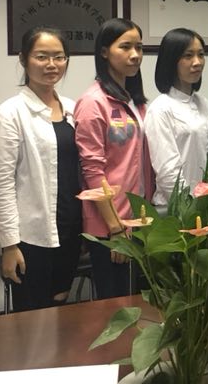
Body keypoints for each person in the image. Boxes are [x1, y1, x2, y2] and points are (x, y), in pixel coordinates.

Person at [0, 26, 81, 312]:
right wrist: (9, 245)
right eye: (42, 57)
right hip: (30, 236)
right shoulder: (9, 113)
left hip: (69, 229)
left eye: (59, 57)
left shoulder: (73, 108)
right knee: (32, 318)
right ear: (23, 59)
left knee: (62, 308)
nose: (51, 64)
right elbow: (1, 182)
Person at [74, 18, 154, 299]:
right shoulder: (93, 102)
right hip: (111, 225)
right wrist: (116, 227)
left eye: (139, 47)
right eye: (125, 47)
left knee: (140, 303)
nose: (135, 55)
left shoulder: (136, 101)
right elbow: (92, 170)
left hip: (138, 219)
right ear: (104, 52)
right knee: (115, 306)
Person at [146, 28, 208, 206]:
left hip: (206, 206)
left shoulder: (205, 104)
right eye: (188, 56)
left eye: (201, 55)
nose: (197, 62)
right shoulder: (160, 109)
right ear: (171, 60)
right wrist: (189, 207)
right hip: (175, 208)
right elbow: (167, 172)